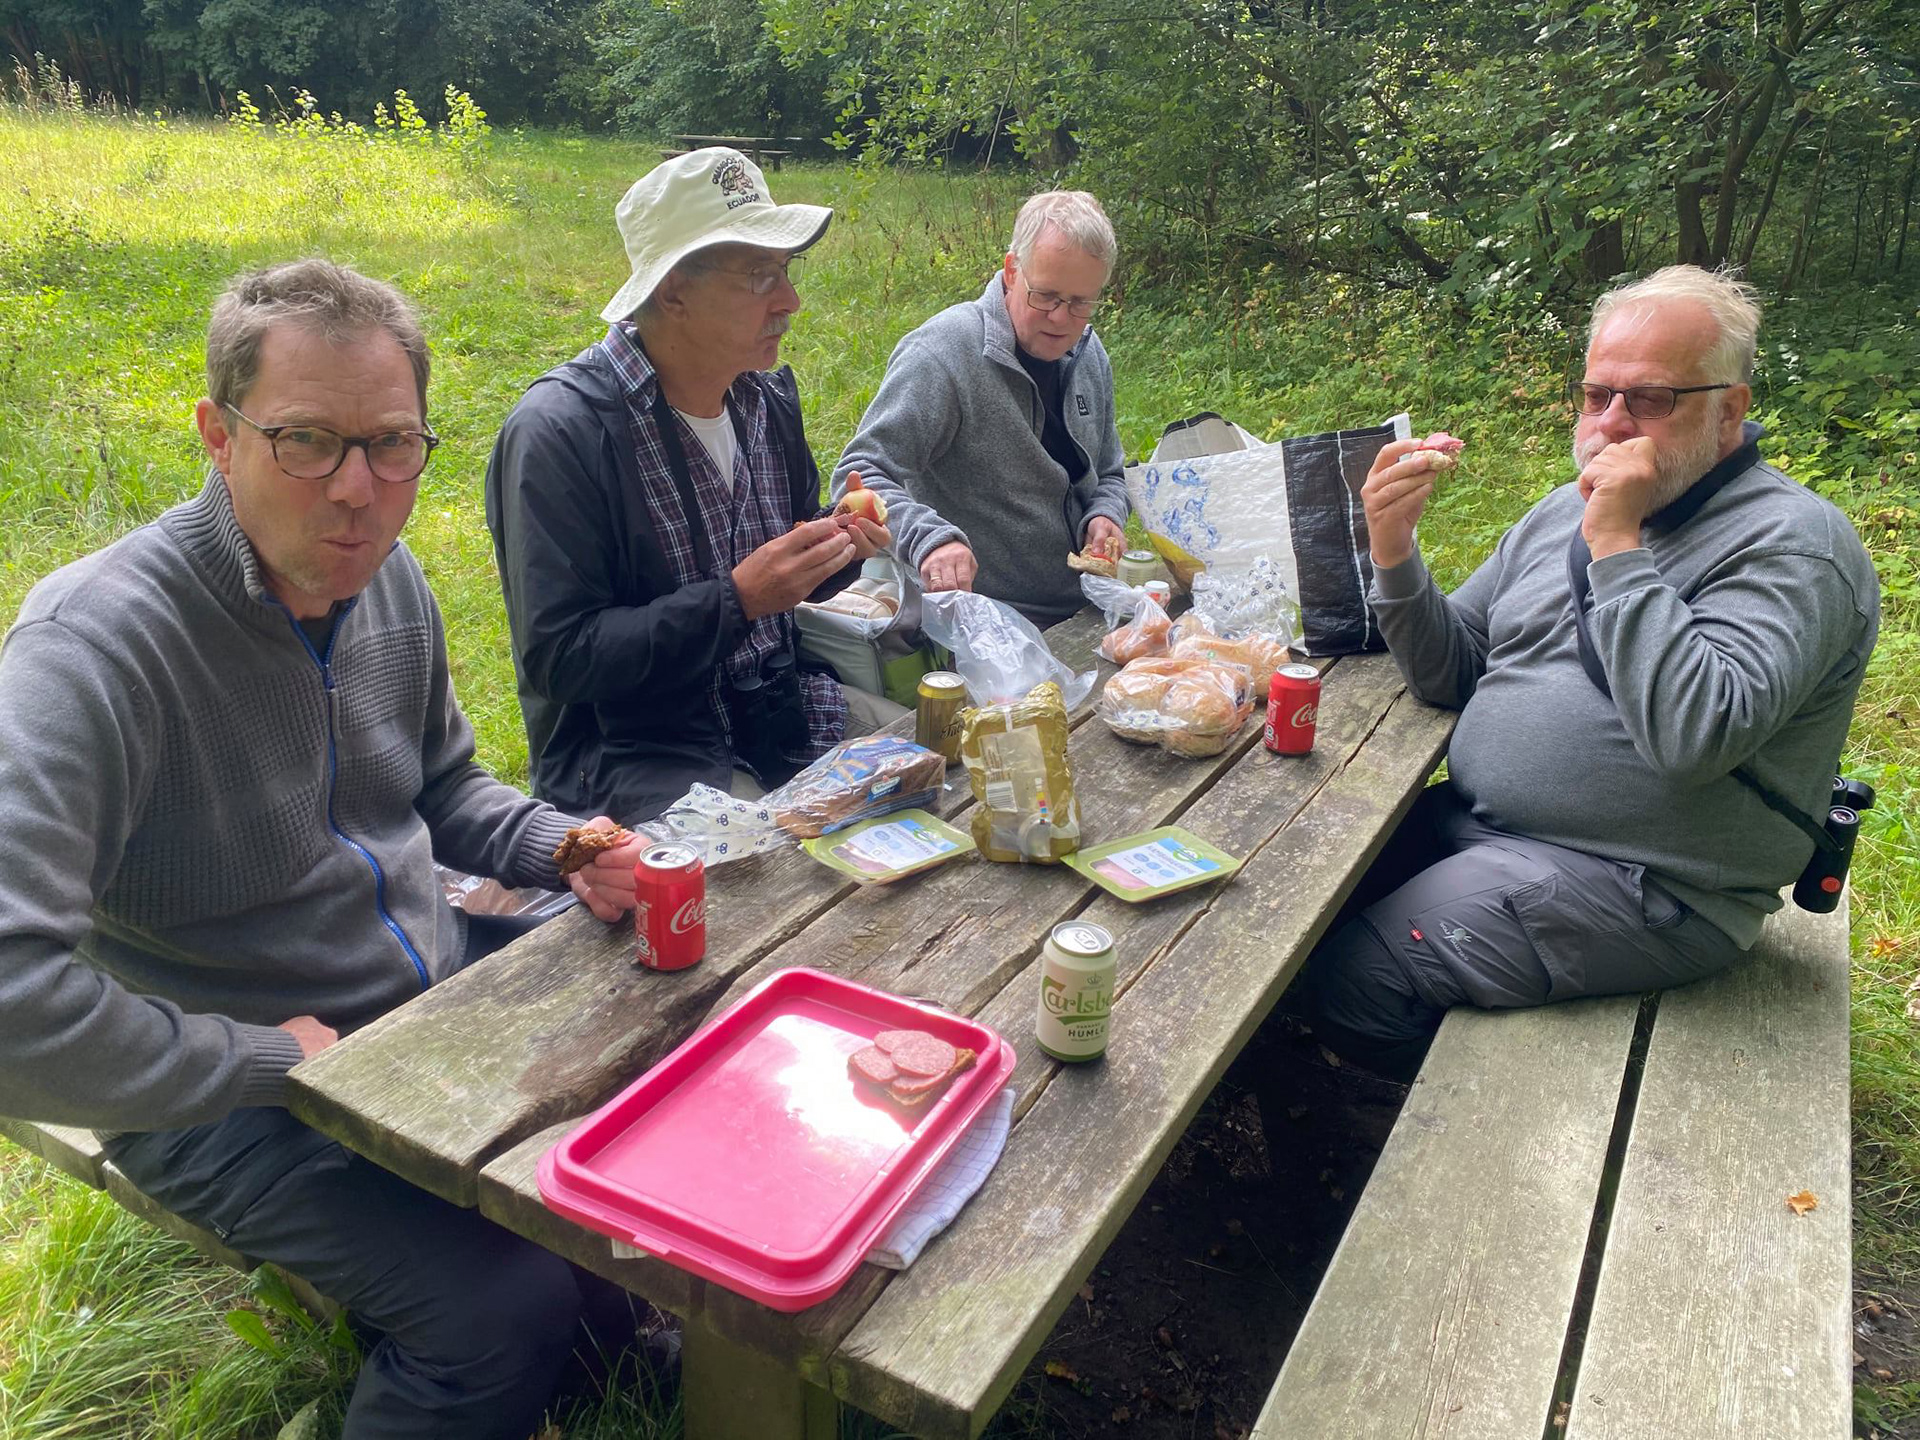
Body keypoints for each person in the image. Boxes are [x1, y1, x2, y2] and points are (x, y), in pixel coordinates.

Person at [0, 259, 653, 1438]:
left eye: (392, 444)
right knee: (499, 1311)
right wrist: (252, 1058)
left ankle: (601, 1348)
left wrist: (560, 844)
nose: (357, 491)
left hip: (413, 999)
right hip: (218, 1089)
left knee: (639, 1112)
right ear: (218, 434)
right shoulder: (93, 651)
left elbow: (442, 779)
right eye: (307, 440)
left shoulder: (389, 581)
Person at [1296, 265, 1880, 1082]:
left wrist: (1617, 545)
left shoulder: (1792, 546)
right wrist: (1394, 552)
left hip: (1645, 886)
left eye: (1649, 399)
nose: (1611, 423)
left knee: (1359, 979)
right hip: (1491, 826)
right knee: (1293, 896)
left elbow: (1697, 736)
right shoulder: (1559, 513)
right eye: (1596, 393)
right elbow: (1454, 669)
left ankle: (1449, 1136)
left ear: (1730, 410)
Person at [486, 148, 900, 825]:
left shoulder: (764, 400)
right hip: (640, 759)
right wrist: (738, 599)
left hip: (779, 718)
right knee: (782, 890)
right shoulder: (560, 433)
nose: (790, 301)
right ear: (673, 290)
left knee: (950, 753)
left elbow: (782, 584)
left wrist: (836, 548)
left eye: (787, 271)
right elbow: (560, 661)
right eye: (761, 275)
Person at [832, 189, 1130, 628]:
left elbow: (1109, 473)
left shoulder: (1089, 353)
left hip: (1090, 605)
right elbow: (858, 474)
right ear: (1012, 271)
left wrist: (1107, 514)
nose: (1061, 319)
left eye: (1081, 303)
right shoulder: (943, 354)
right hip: (989, 623)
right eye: (1045, 296)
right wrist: (931, 541)